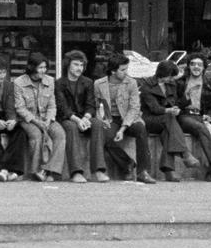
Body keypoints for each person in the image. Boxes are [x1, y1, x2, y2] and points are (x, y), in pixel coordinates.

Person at [96, 55, 154, 184]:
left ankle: (142, 171)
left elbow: (134, 108)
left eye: (126, 69)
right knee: (106, 136)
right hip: (110, 118)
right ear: (113, 71)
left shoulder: (131, 82)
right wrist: (104, 119)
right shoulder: (99, 84)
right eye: (122, 70)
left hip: (130, 118)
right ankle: (127, 164)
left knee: (140, 129)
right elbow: (99, 105)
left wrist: (123, 129)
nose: (126, 72)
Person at [12, 53, 65, 182]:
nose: (43, 70)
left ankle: (50, 170)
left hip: (46, 118)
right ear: (32, 67)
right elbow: (20, 108)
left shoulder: (50, 81)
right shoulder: (19, 82)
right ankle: (36, 170)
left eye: (45, 67)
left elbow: (52, 105)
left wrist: (48, 119)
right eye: (40, 67)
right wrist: (37, 122)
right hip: (28, 120)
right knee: (36, 135)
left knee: (60, 134)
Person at [55, 50, 105, 182]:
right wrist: (77, 120)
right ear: (68, 65)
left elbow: (91, 104)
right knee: (71, 127)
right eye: (76, 64)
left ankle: (98, 170)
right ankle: (76, 172)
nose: (79, 68)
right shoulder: (59, 83)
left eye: (81, 65)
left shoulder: (88, 82)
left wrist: (86, 118)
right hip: (67, 119)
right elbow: (63, 108)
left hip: (84, 117)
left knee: (98, 124)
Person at [177, 55, 211, 179]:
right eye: (193, 64)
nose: (196, 67)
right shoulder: (180, 83)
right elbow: (174, 104)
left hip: (201, 117)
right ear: (189, 66)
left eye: (199, 65)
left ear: (204, 68)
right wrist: (187, 97)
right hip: (185, 116)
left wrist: (209, 117)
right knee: (200, 127)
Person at [138, 61, 190, 181]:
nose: (172, 79)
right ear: (163, 74)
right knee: (169, 118)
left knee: (167, 133)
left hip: (166, 120)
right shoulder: (147, 86)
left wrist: (180, 105)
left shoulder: (171, 84)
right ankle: (185, 153)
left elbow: (175, 102)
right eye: (170, 76)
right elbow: (154, 108)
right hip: (150, 119)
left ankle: (169, 171)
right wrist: (169, 110)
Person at [0, 54, 28, 182]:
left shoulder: (8, 86)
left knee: (20, 132)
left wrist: (12, 120)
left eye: (4, 72)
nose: (2, 75)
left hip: (3, 114)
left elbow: (10, 106)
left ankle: (12, 169)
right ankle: (0, 169)